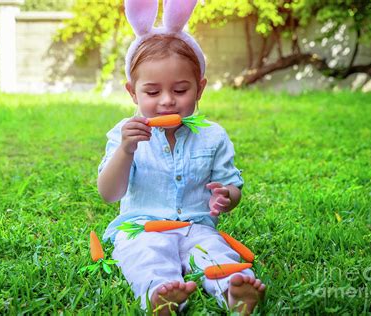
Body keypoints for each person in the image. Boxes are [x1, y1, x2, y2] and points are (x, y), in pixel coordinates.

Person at [97, 0, 265, 314]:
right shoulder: (124, 134)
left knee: (215, 253)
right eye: (152, 92)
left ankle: (235, 290)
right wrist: (125, 150)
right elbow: (109, 193)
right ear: (133, 92)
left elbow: (231, 187)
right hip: (142, 227)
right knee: (145, 256)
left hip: (197, 227)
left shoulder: (213, 135)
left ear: (199, 89)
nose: (166, 101)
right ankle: (160, 295)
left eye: (180, 90)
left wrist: (227, 197)